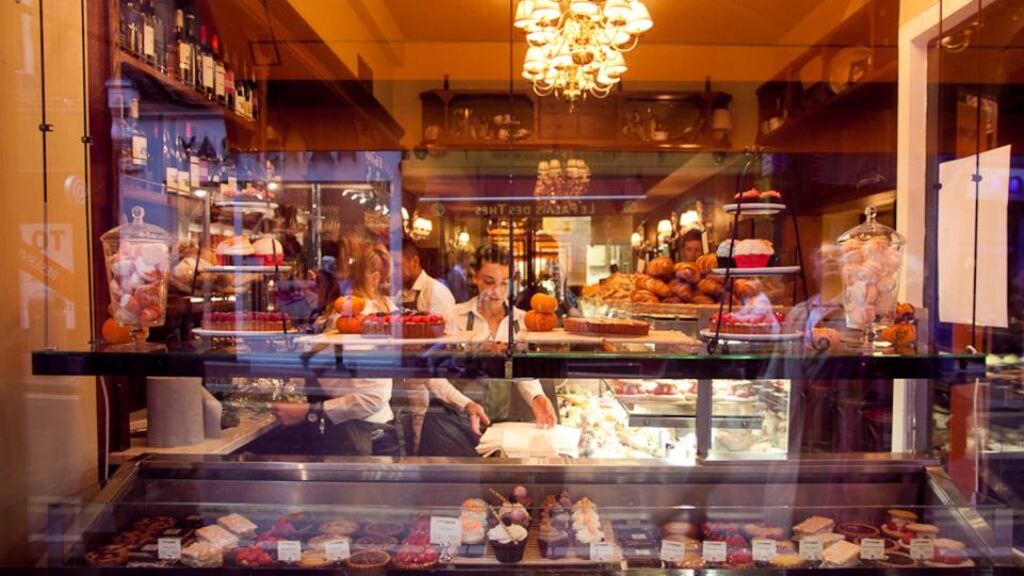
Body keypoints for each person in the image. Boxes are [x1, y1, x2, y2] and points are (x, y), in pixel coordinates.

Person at [417, 244, 558, 457]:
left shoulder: (521, 321)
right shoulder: (454, 315)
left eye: (505, 283)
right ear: (475, 278)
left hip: (493, 428)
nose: (497, 292)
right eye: (489, 282)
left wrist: (537, 396)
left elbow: (521, 369)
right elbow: (432, 374)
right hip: (448, 426)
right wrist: (466, 404)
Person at [267, 246, 399, 457]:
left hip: (359, 433)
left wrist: (309, 411)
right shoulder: (373, 310)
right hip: (370, 428)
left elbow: (372, 397)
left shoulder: (357, 319)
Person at [400, 239, 456, 321]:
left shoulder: (436, 292)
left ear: (415, 262)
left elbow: (444, 331)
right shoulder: (400, 292)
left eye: (397, 265)